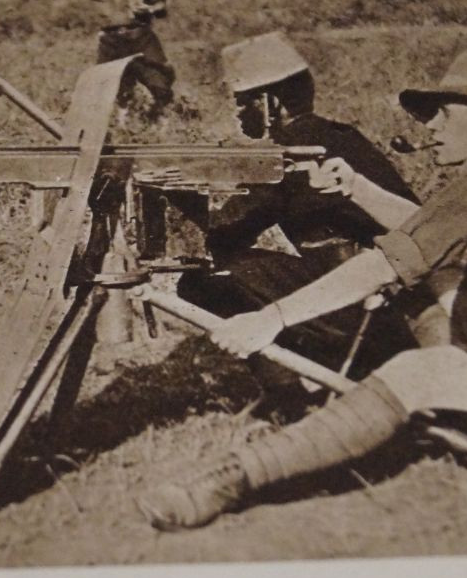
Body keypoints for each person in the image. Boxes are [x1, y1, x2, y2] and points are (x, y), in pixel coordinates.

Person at [138, 47, 467, 530]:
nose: (431, 126)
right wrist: (356, 187)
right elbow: (427, 231)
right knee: (432, 281)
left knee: (413, 370)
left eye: (445, 115)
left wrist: (270, 319)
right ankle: (462, 410)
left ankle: (231, 478)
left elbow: (382, 265)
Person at [175, 31, 430, 393]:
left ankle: (291, 389)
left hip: (360, 297)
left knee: (204, 281)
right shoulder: (339, 136)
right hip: (391, 292)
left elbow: (229, 229)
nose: (238, 115)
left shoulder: (291, 151)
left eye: (241, 103)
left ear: (268, 103)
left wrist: (178, 194)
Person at [9, 0, 176, 116]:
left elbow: (161, 4)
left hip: (141, 38)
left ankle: (163, 120)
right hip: (111, 42)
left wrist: (149, 9)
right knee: (112, 86)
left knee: (158, 81)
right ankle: (124, 125)